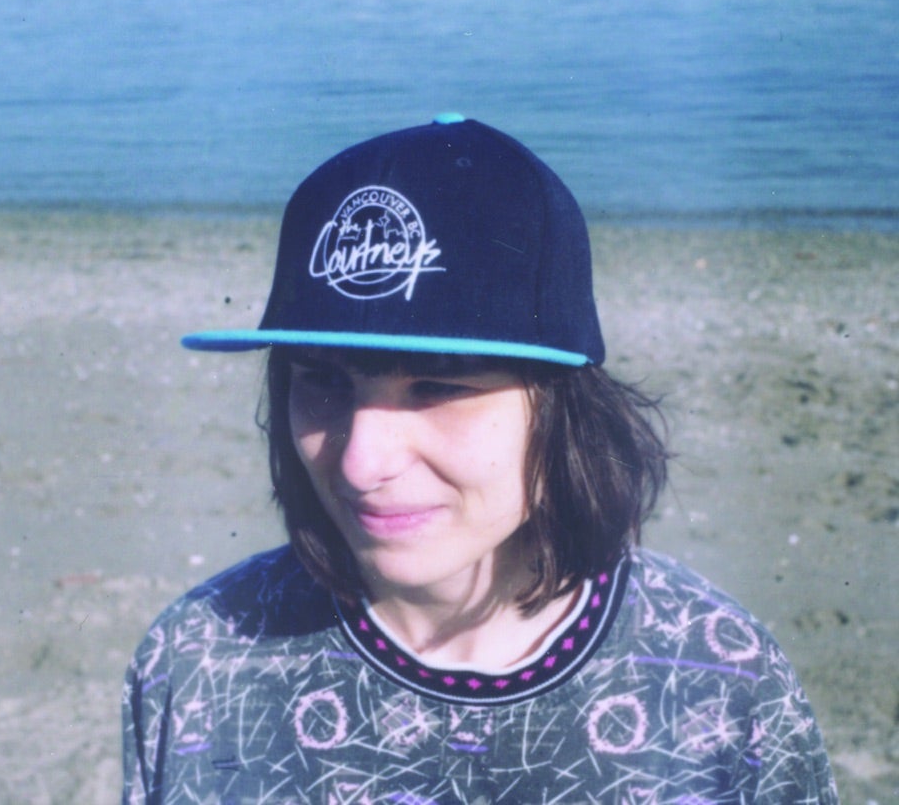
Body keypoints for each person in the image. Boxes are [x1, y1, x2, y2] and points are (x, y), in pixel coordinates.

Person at [123, 115, 838, 804]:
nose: (361, 463)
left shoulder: (720, 677)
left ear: (561, 410)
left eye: (439, 387)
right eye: (322, 381)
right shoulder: (198, 657)